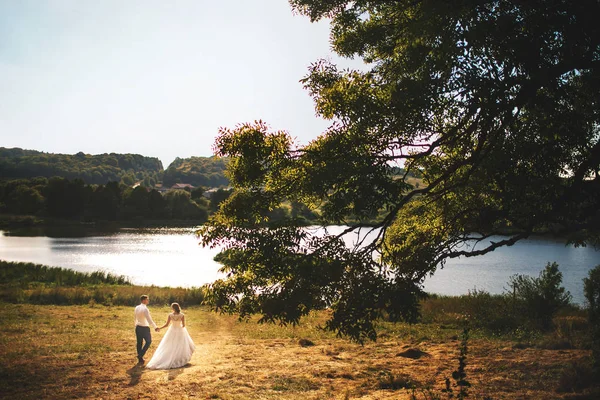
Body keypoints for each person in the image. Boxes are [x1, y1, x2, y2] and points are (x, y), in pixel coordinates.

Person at [146, 302, 195, 370]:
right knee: (180, 345)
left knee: (170, 344)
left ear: (173, 308)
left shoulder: (170, 315)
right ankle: (179, 358)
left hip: (172, 330)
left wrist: (159, 328)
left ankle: (170, 357)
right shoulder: (182, 315)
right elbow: (184, 325)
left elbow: (166, 324)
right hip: (180, 331)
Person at [134, 295, 158, 365]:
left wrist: (136, 325)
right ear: (143, 300)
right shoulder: (145, 309)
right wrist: (155, 327)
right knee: (148, 341)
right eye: (147, 299)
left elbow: (135, 317)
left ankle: (140, 359)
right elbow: (149, 320)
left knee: (139, 343)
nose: (148, 301)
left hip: (138, 327)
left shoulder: (137, 307)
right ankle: (140, 355)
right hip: (144, 328)